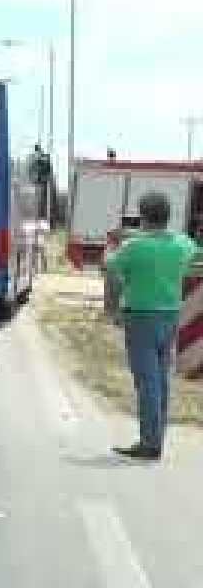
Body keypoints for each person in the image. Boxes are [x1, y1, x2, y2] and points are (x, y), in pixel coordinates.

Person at [105, 191, 198, 460]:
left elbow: (110, 267)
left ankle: (149, 443)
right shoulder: (183, 243)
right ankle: (157, 437)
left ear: (144, 218)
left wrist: (113, 244)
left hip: (141, 317)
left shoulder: (134, 247)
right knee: (161, 378)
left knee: (147, 381)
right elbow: (195, 258)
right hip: (171, 316)